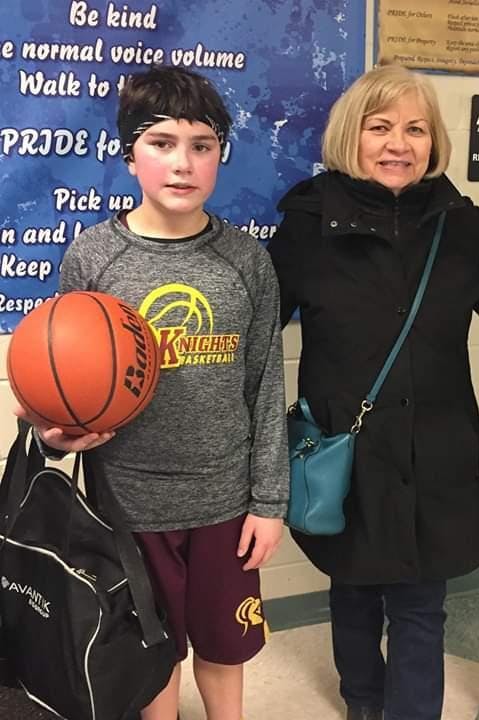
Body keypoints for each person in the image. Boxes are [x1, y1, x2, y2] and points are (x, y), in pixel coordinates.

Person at [21, 66, 289, 720]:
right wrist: (53, 433)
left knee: (225, 648)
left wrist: (270, 501)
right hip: (127, 504)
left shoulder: (246, 261)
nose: (183, 163)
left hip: (227, 503)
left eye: (202, 145)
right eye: (162, 143)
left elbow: (266, 385)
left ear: (220, 155)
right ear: (129, 155)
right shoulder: (92, 257)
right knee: (151, 651)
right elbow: (60, 376)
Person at [267, 63, 479, 720]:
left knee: (422, 602)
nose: (399, 144)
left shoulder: (462, 226)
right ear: (351, 135)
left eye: (416, 129)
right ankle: (362, 702)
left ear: (434, 141)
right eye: (381, 127)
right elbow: (252, 334)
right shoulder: (308, 225)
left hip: (435, 449)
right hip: (347, 449)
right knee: (355, 590)